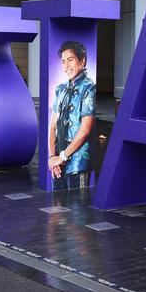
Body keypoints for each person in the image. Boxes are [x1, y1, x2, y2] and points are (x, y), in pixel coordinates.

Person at [48, 41, 96, 190]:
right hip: (58, 165)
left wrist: (62, 157)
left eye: (70, 59)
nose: (66, 66)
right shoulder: (60, 90)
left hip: (78, 164)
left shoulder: (89, 89)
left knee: (78, 210)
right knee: (57, 208)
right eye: (63, 61)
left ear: (82, 61)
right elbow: (53, 127)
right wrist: (52, 158)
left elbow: (85, 129)